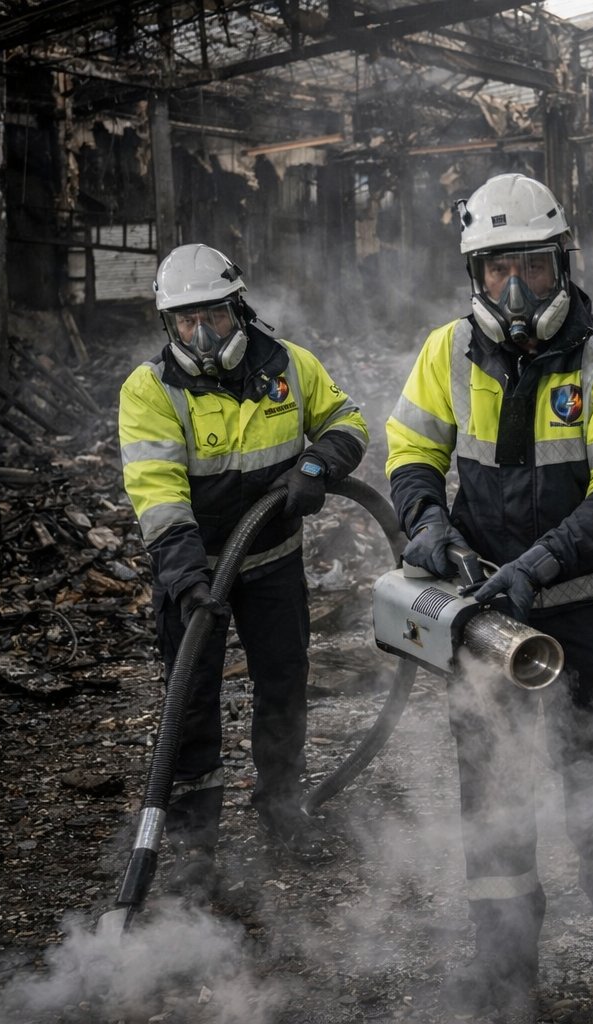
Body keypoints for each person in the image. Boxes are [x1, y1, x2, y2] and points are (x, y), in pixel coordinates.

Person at [385, 172, 593, 1019]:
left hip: (583, 605)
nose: (516, 290)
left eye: (534, 267)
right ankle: (507, 967)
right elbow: (410, 451)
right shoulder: (446, 352)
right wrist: (426, 522)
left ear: (562, 264)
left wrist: (538, 565)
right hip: (484, 614)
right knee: (492, 787)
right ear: (474, 274)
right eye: (498, 269)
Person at [118, 243, 369, 900]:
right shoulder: (151, 391)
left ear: (239, 309)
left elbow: (348, 421)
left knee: (283, 685)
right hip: (195, 576)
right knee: (191, 699)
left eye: (214, 317)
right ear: (169, 324)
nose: (202, 335)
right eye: (186, 322)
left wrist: (317, 464)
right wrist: (186, 580)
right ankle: (193, 839)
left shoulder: (289, 366)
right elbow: (158, 493)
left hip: (273, 564)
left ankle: (283, 807)